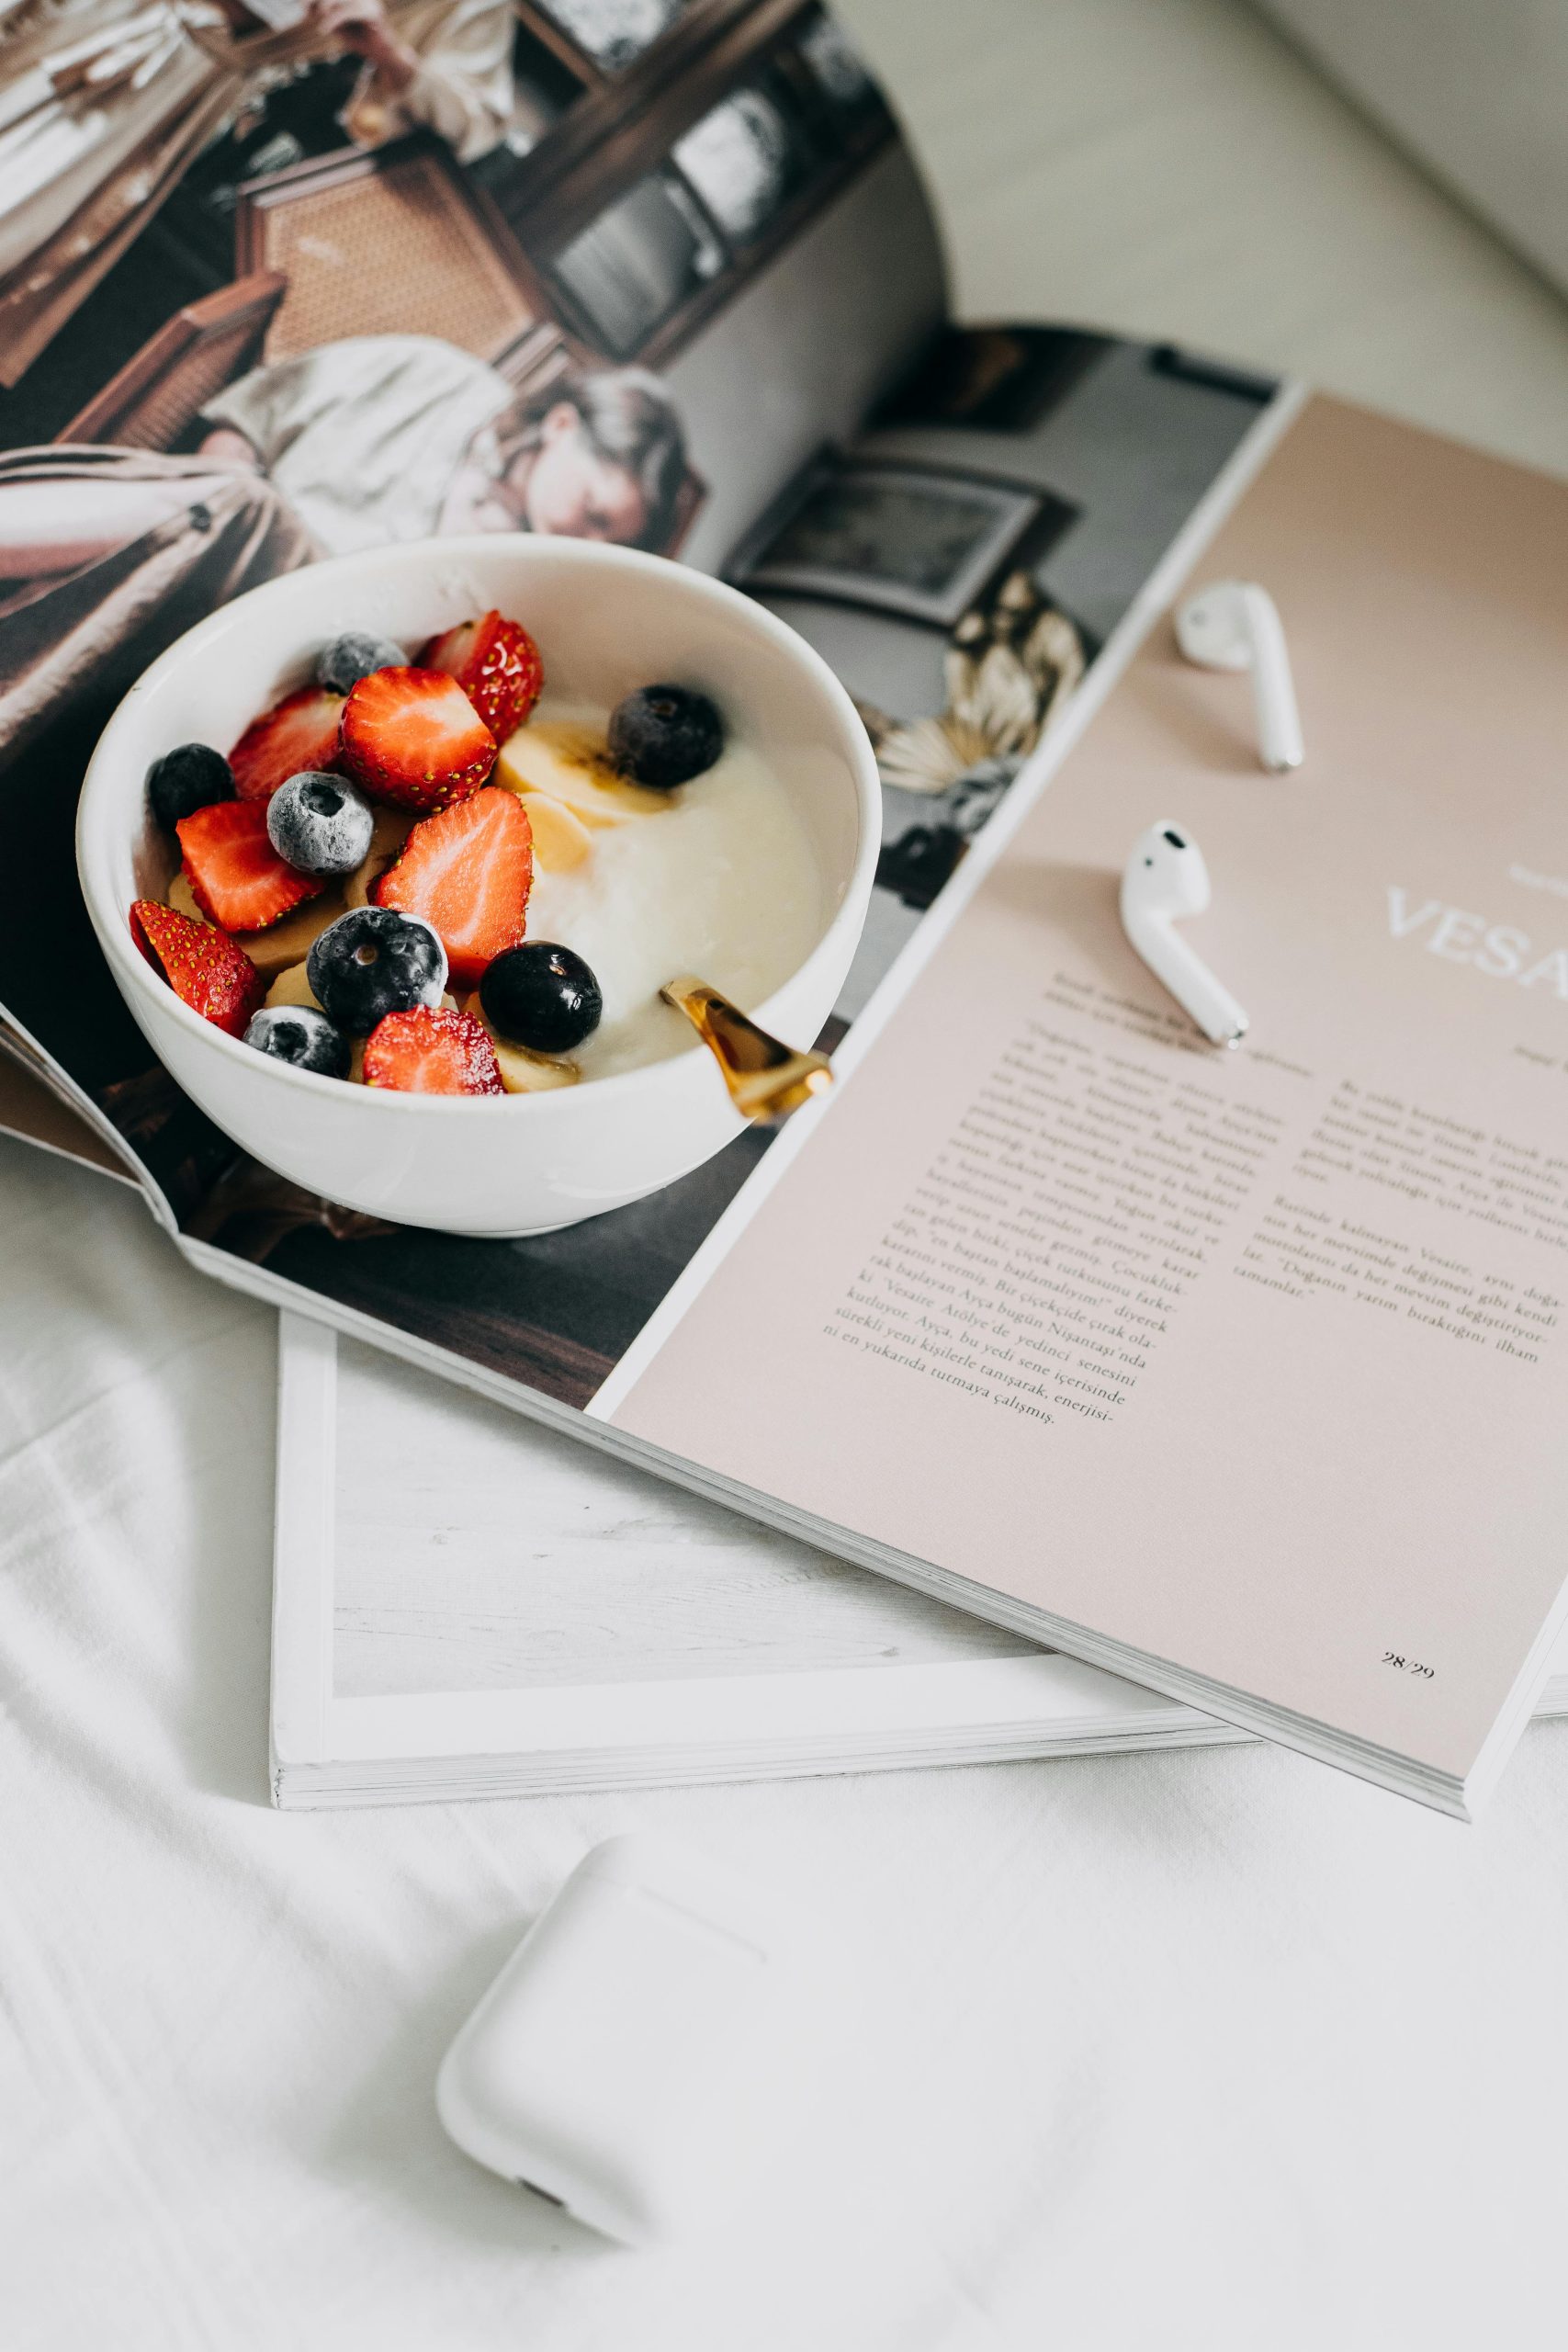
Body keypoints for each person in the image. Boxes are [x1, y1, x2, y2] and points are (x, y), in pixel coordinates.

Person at [0, 0, 515, 383]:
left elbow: (472, 125)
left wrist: (390, 55)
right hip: (87, 23)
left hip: (189, 104)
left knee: (27, 225)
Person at [195, 335, 691, 556]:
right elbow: (247, 424)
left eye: (612, 543)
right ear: (561, 426)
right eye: (595, 513)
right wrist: (214, 512)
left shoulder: (532, 582)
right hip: (223, 537)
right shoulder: (430, 379)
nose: (590, 545)